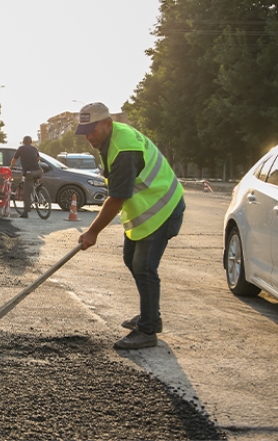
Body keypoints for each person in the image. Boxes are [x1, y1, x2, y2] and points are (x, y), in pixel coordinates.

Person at [74, 102, 185, 350]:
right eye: (85, 133)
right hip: (149, 211)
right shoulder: (111, 140)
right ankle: (151, 316)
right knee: (130, 258)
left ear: (108, 124)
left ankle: (147, 330)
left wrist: (92, 232)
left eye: (93, 130)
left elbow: (117, 199)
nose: (89, 137)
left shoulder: (124, 150)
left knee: (144, 267)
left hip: (164, 208)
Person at [9, 135, 43, 218]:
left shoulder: (21, 149)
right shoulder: (34, 149)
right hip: (39, 171)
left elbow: (14, 159)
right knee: (34, 184)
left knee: (27, 193)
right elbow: (38, 158)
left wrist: (11, 167)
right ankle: (38, 193)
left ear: (23, 142)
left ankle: (25, 212)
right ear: (31, 142)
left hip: (29, 172)